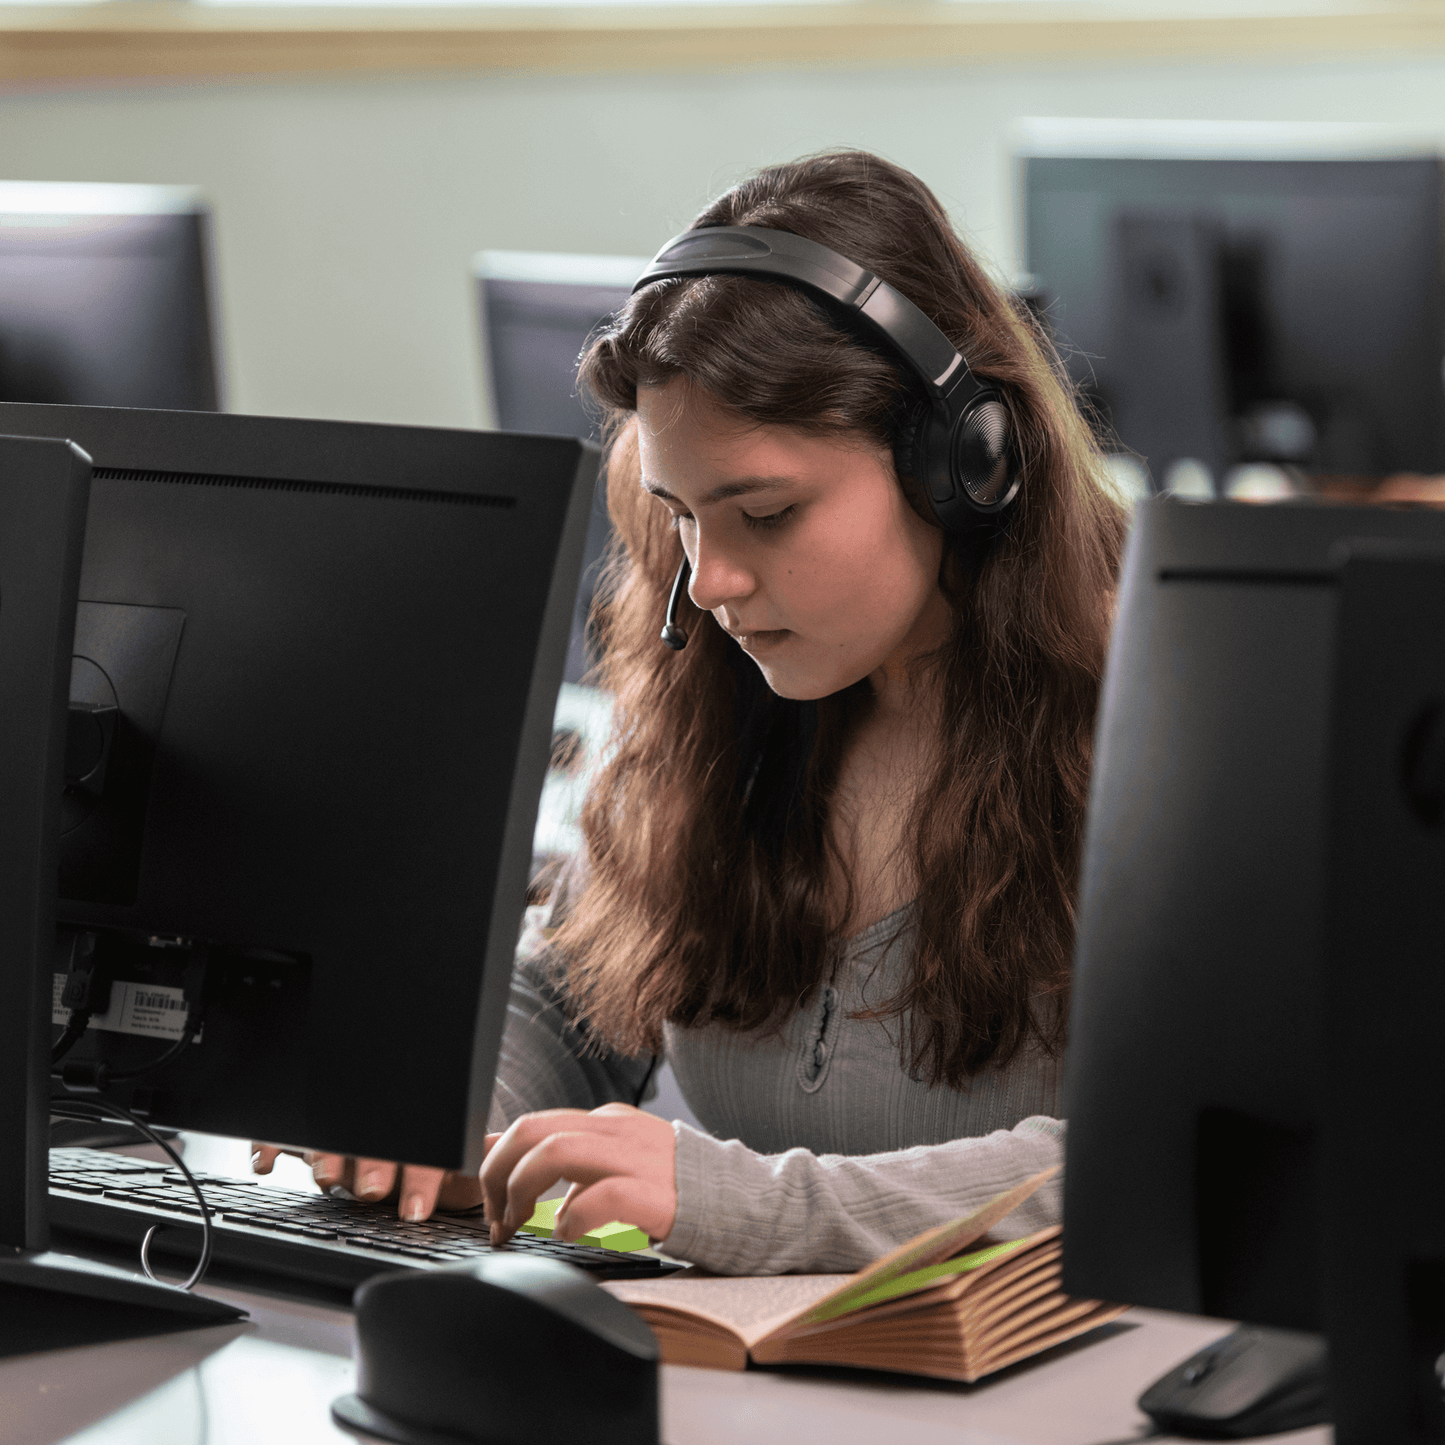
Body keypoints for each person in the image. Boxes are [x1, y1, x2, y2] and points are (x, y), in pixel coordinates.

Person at [254, 150, 1126, 1275]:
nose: (708, 581)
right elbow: (577, 983)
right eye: (681, 514)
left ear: (963, 463)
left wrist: (745, 1202)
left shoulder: (1159, 722)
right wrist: (439, 1101)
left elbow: (1158, 1156)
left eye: (765, 510)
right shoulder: (731, 698)